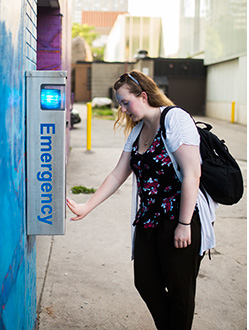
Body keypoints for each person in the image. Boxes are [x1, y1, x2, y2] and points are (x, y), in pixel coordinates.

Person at [66, 70, 216, 330]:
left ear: (143, 96)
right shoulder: (138, 131)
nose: (122, 109)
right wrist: (87, 206)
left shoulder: (175, 119)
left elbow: (193, 174)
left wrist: (184, 224)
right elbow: (117, 174)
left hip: (178, 218)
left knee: (180, 292)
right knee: (145, 283)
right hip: (148, 220)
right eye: (119, 104)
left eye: (125, 102)